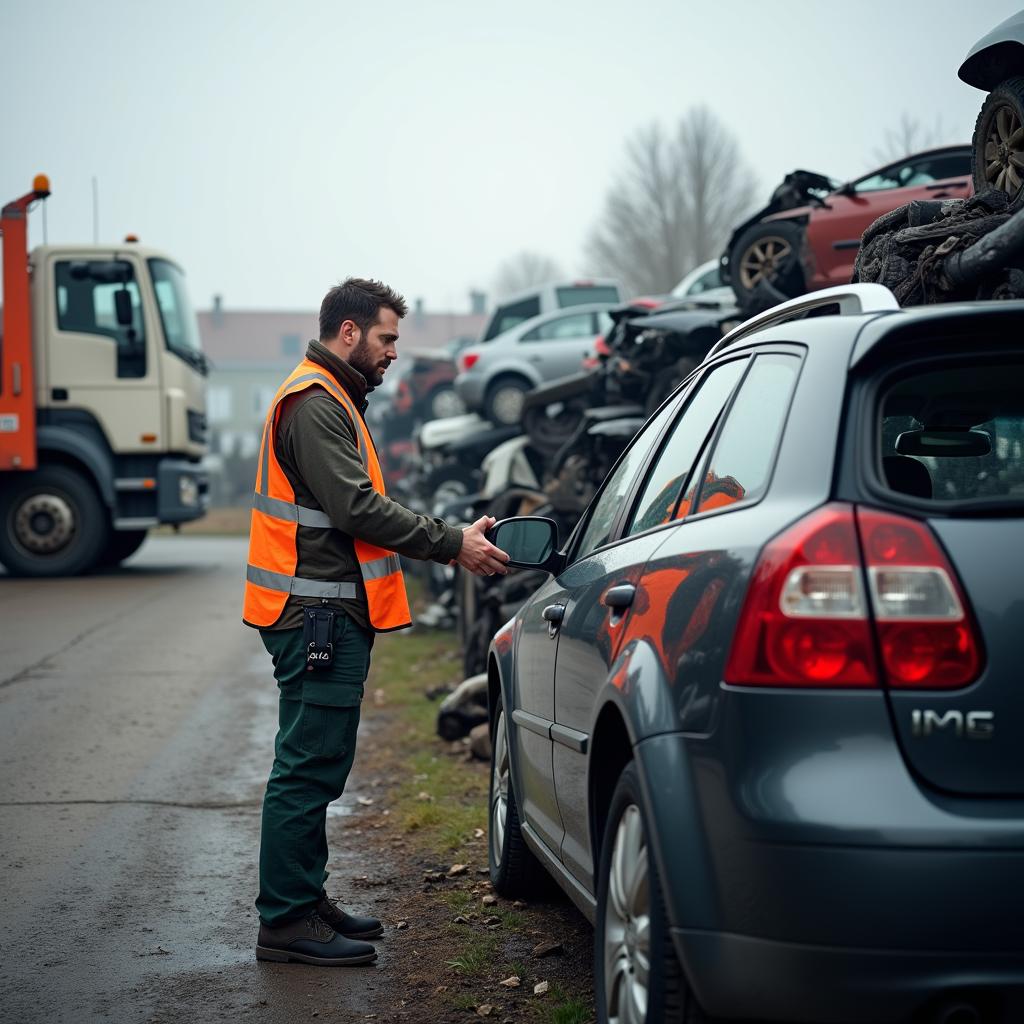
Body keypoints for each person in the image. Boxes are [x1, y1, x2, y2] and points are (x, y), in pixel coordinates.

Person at [243, 277, 509, 966]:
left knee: (317, 761)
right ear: (351, 332)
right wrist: (453, 543)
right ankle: (287, 920)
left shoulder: (331, 398)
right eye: (387, 338)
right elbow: (356, 508)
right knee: (308, 766)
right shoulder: (315, 403)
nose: (394, 353)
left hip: (319, 612)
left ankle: (303, 897)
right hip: (315, 614)